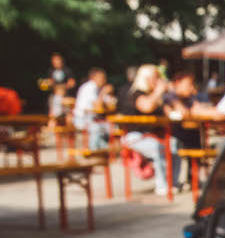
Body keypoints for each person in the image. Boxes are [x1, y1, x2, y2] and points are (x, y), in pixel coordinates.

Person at [118, 64, 178, 195]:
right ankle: (162, 185)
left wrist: (171, 94)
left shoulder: (158, 96)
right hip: (134, 136)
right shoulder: (136, 93)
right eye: (155, 77)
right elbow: (147, 106)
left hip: (154, 135)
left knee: (175, 144)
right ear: (145, 78)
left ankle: (173, 184)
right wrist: (159, 91)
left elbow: (171, 112)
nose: (157, 80)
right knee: (158, 147)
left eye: (158, 77)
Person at [73, 67, 113, 151]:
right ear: (93, 78)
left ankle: (103, 150)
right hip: (82, 118)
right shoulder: (90, 87)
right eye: (101, 77)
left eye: (104, 78)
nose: (103, 80)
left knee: (109, 127)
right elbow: (98, 106)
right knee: (97, 127)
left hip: (93, 118)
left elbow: (112, 106)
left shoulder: (99, 88)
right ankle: (93, 151)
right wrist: (104, 93)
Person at [40, 52, 75, 118]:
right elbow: (50, 82)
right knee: (52, 115)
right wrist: (47, 83)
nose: (55, 62)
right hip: (54, 95)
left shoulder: (67, 70)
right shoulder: (51, 71)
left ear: (61, 60)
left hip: (65, 96)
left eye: (56, 60)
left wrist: (62, 87)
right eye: (53, 60)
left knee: (68, 114)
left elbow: (72, 83)